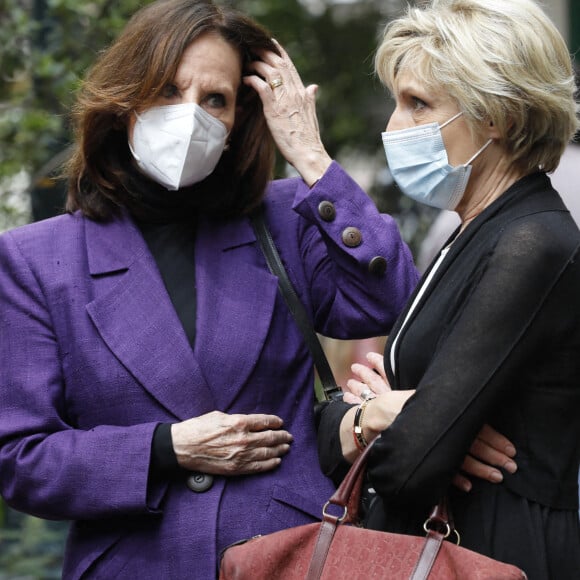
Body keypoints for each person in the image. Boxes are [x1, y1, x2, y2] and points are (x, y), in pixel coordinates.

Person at [0, 1, 519, 578]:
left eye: (214, 99)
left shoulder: (281, 219)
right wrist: (166, 449)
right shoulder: (35, 259)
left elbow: (394, 302)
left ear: (238, 121)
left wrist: (311, 158)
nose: (189, 114)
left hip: (291, 554)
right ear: (126, 100)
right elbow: (22, 461)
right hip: (136, 562)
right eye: (168, 90)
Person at [317, 0, 580, 578]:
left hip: (493, 551)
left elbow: (411, 465)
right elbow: (410, 429)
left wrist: (380, 416)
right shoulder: (474, 231)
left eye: (418, 104)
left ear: (499, 116)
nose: (392, 125)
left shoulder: (531, 241)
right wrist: (386, 413)